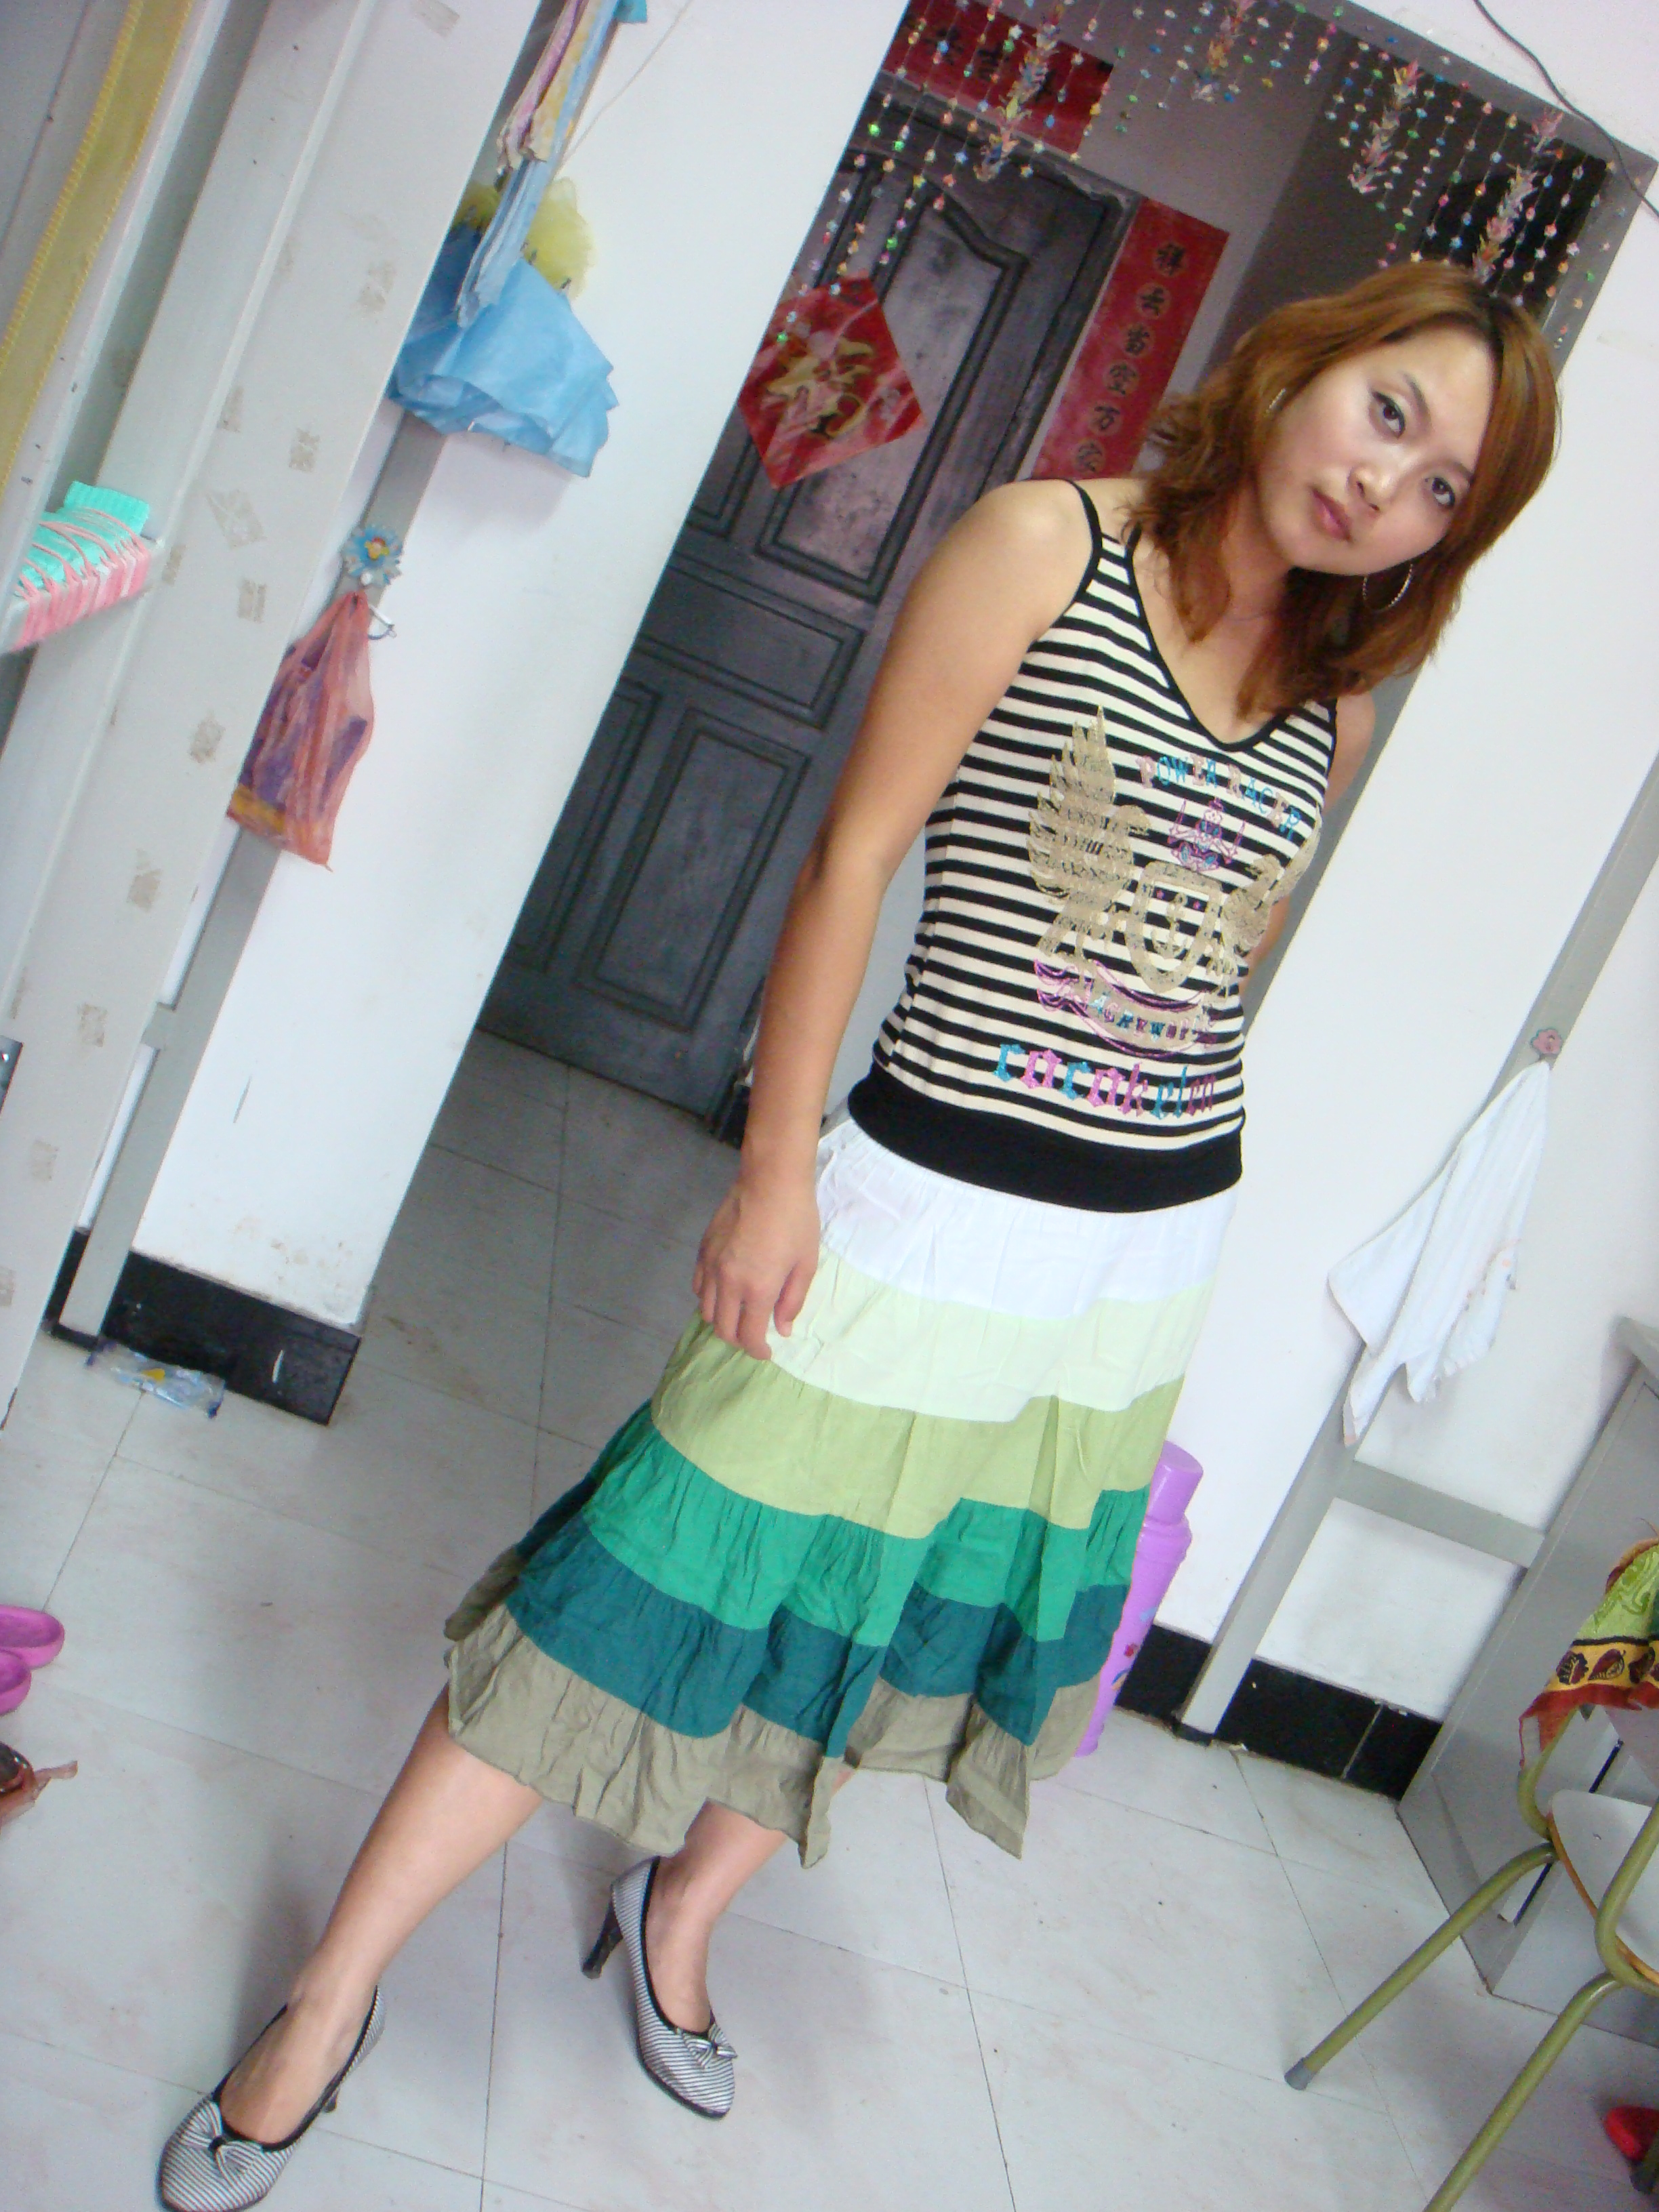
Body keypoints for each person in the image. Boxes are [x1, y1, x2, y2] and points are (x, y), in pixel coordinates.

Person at [159, 260, 1556, 2206]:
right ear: (1313, 363)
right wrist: (776, 1169)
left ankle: (680, 1914)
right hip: (925, 1201)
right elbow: (853, 857)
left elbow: (1201, 982)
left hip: (1138, 1256)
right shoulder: (1046, 546)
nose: (1384, 483)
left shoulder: (1332, 706)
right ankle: (329, 2000)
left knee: (910, 1608)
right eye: (1389, 412)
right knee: (638, 1578)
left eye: (1442, 486)